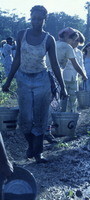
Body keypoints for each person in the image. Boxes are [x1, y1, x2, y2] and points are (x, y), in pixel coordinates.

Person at [2, 5, 67, 163]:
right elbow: (17, 59)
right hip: (23, 79)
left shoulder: (48, 39)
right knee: (25, 118)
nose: (36, 22)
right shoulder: (21, 34)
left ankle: (38, 154)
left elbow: (55, 65)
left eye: (40, 19)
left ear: (45, 20)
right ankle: (31, 146)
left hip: (41, 80)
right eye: (33, 18)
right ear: (30, 18)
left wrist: (63, 86)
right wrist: (8, 81)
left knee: (40, 117)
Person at [63, 30, 86, 112]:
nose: (76, 42)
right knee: (63, 99)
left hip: (74, 78)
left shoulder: (79, 53)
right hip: (63, 77)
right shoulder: (64, 49)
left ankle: (72, 115)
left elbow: (81, 65)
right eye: (75, 40)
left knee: (73, 99)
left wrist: (83, 75)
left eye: (78, 41)